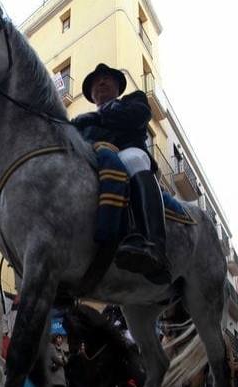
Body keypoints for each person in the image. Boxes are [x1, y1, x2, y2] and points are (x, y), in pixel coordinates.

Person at [71, 63, 169, 284]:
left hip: (127, 149)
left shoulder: (134, 100)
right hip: (96, 161)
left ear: (118, 85)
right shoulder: (83, 121)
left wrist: (98, 119)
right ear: (92, 94)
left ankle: (154, 246)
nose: (102, 82)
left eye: (107, 78)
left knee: (132, 160)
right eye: (97, 81)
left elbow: (138, 116)